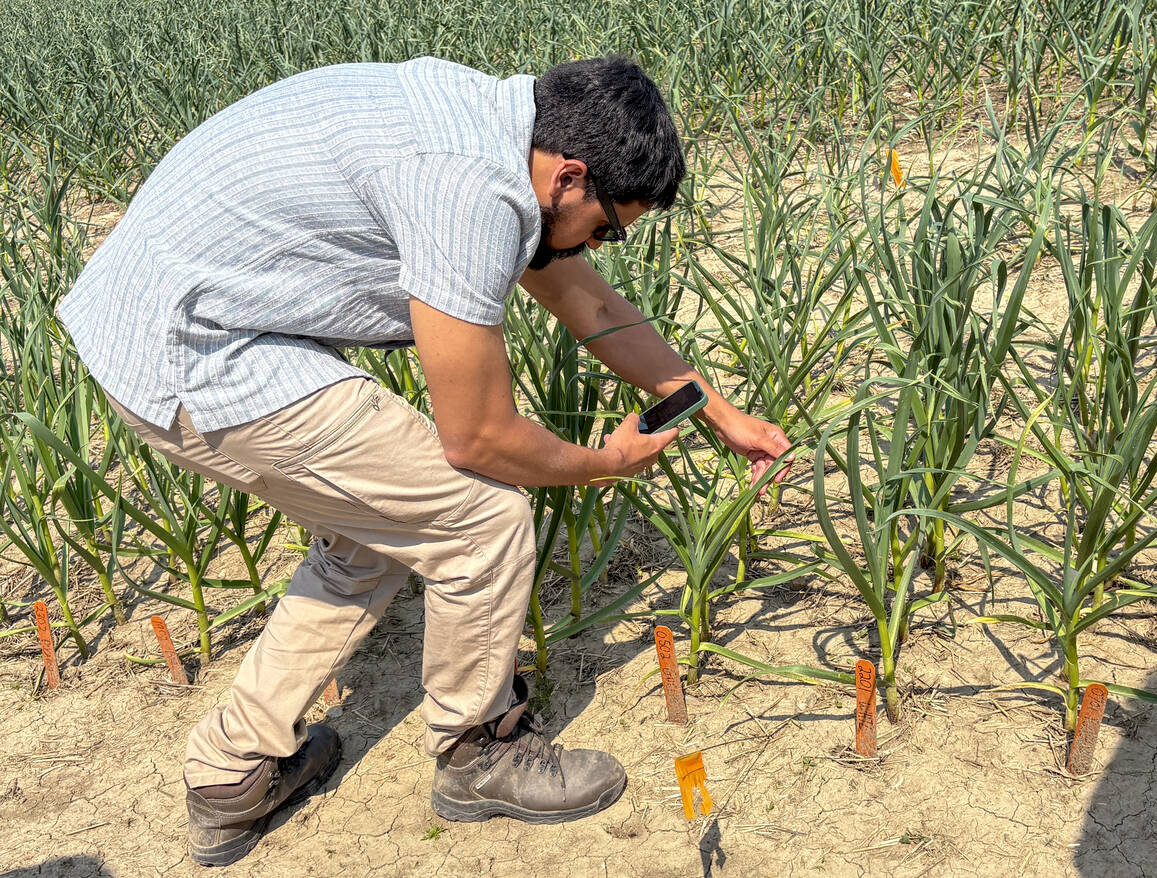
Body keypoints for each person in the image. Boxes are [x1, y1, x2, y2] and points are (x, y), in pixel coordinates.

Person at [57, 54, 791, 866]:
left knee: (377, 528)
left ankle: (233, 772)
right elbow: (477, 438)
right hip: (196, 353)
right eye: (608, 227)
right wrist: (606, 463)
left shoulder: (505, 129)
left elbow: (589, 301)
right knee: (479, 515)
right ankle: (479, 751)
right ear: (572, 178)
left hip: (175, 312)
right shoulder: (472, 192)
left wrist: (716, 409)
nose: (604, 246)